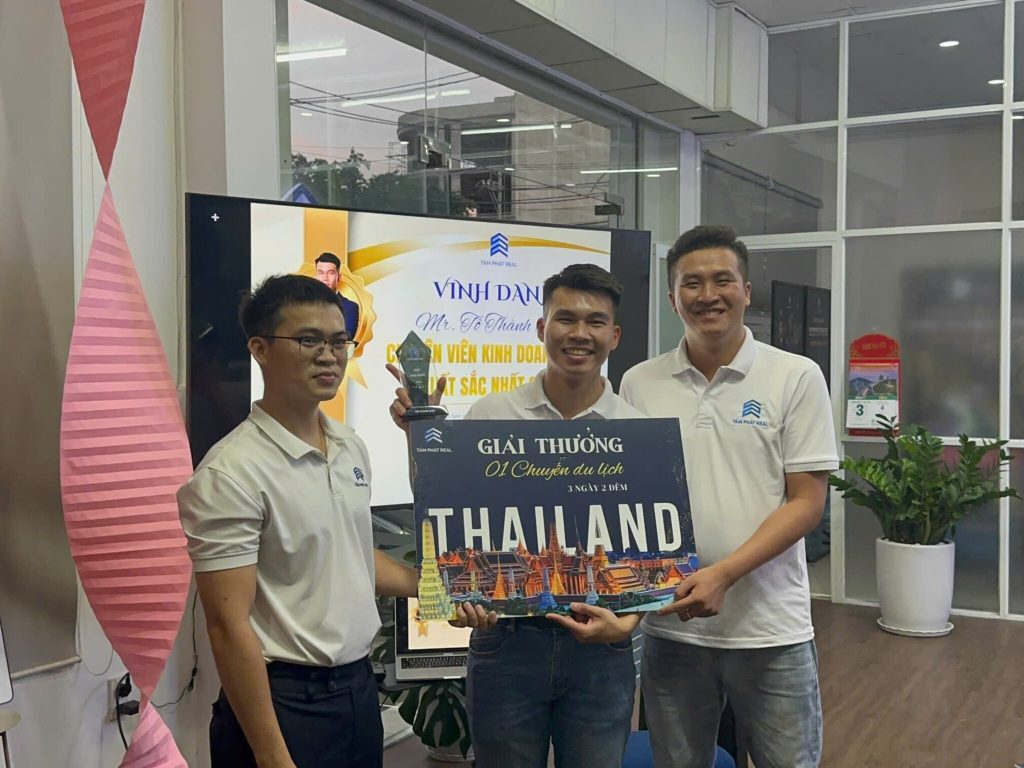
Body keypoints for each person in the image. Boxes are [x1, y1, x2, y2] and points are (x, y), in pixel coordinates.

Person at [389, 264, 643, 768]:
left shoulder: (637, 430)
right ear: (542, 328)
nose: (579, 333)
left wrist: (628, 623)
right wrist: (418, 436)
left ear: (613, 336)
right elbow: (447, 513)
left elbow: (649, 547)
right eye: (565, 318)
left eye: (595, 321)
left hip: (602, 648)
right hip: (505, 643)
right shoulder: (491, 414)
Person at [177, 274, 419, 768]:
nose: (329, 356)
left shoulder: (349, 445)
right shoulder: (231, 472)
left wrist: (440, 587)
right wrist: (272, 756)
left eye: (338, 341)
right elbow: (227, 628)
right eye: (308, 340)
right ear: (260, 349)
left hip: (357, 691)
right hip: (284, 701)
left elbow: (349, 556)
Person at [618, 225, 838, 768]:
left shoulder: (795, 376)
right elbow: (629, 501)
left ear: (746, 291)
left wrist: (724, 574)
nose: (708, 294)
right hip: (672, 627)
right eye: (692, 283)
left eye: (722, 280)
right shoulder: (639, 383)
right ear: (673, 298)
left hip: (770, 629)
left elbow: (806, 502)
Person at [314, 252, 360, 337]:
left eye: (330, 273)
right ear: (315, 276)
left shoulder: (349, 307)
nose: (325, 278)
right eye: (321, 273)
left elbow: (345, 338)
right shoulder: (305, 305)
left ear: (338, 277)